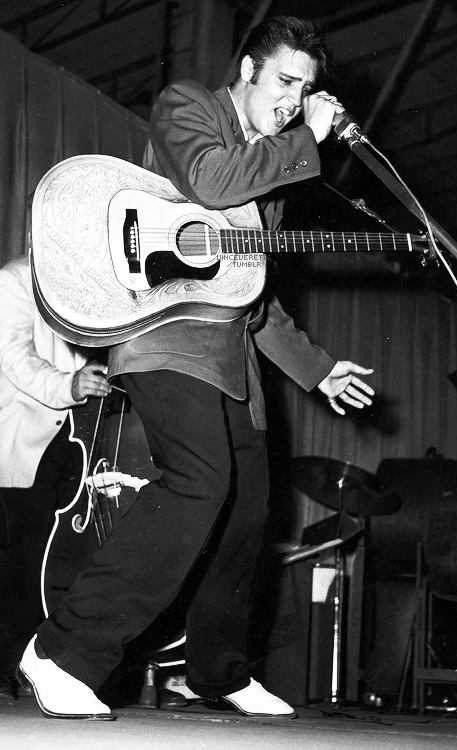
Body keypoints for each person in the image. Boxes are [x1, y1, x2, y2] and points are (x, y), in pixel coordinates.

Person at [19, 15, 375, 721]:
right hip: (162, 335)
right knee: (200, 481)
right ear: (246, 71)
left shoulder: (269, 176)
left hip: (227, 354)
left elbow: (249, 292)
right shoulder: (191, 108)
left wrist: (318, 369)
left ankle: (215, 671)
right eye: (283, 82)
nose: (291, 99)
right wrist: (308, 138)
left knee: (248, 508)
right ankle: (66, 650)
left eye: (305, 89)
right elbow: (212, 182)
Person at [0, 255, 111, 694]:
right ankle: (13, 665)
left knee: (73, 555)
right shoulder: (13, 279)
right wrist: (69, 385)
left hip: (90, 433)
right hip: (30, 432)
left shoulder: (94, 278)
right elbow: (14, 357)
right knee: (25, 556)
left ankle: (62, 662)